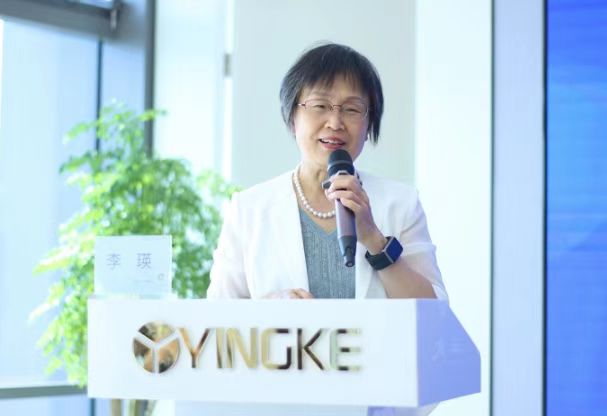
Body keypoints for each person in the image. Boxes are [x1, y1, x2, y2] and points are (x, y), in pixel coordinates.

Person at [207, 43, 447, 301]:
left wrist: (374, 239)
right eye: (320, 105)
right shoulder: (248, 210)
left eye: (352, 109)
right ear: (292, 117)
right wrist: (267, 310)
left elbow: (434, 311)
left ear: (369, 125)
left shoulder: (402, 204)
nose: (335, 123)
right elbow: (217, 317)